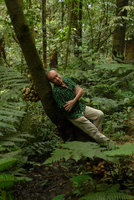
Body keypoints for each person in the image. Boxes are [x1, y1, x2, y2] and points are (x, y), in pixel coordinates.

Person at [47, 70, 110, 144]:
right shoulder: (57, 92)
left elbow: (81, 90)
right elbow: (67, 108)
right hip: (74, 115)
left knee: (99, 114)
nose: (57, 78)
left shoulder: (66, 80)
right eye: (54, 78)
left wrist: (73, 101)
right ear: (52, 82)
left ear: (59, 73)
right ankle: (108, 144)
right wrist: (77, 96)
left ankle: (96, 139)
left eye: (57, 75)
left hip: (80, 107)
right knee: (93, 130)